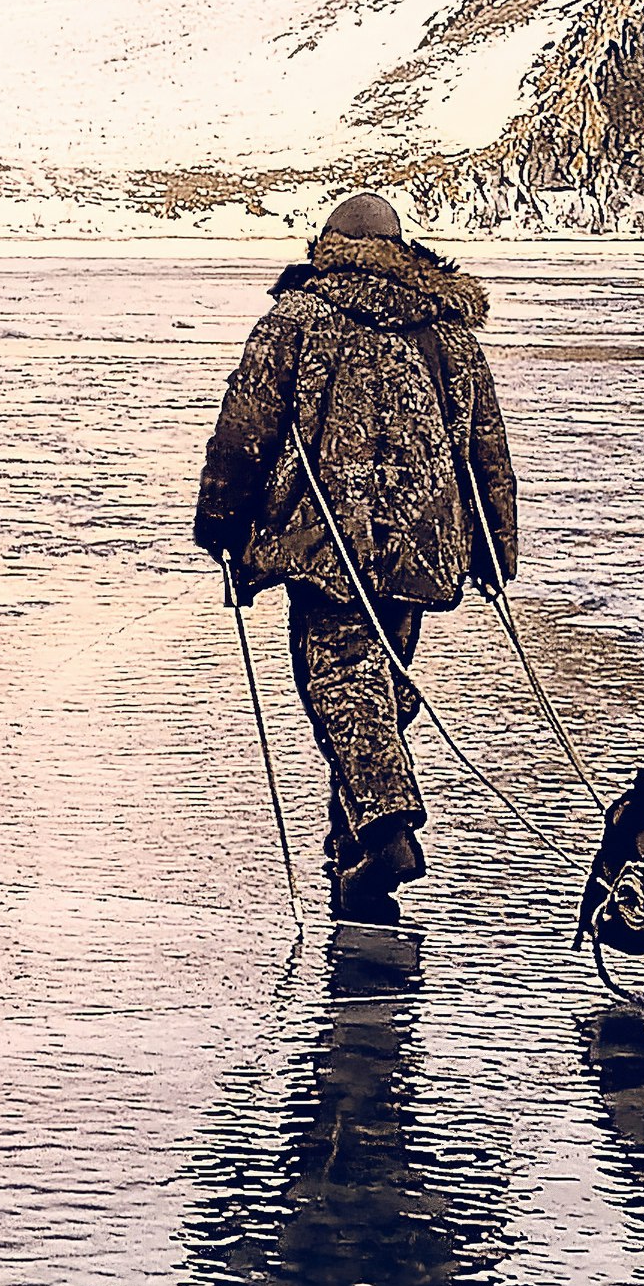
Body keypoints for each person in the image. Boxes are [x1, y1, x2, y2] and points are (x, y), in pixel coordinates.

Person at [196, 189, 519, 930]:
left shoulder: (297, 318)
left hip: (326, 541)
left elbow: (244, 430)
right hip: (422, 545)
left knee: (338, 680)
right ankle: (356, 851)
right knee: (381, 688)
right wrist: (496, 547)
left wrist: (220, 522)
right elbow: (487, 453)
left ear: (329, 242)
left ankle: (386, 829)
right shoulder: (449, 332)